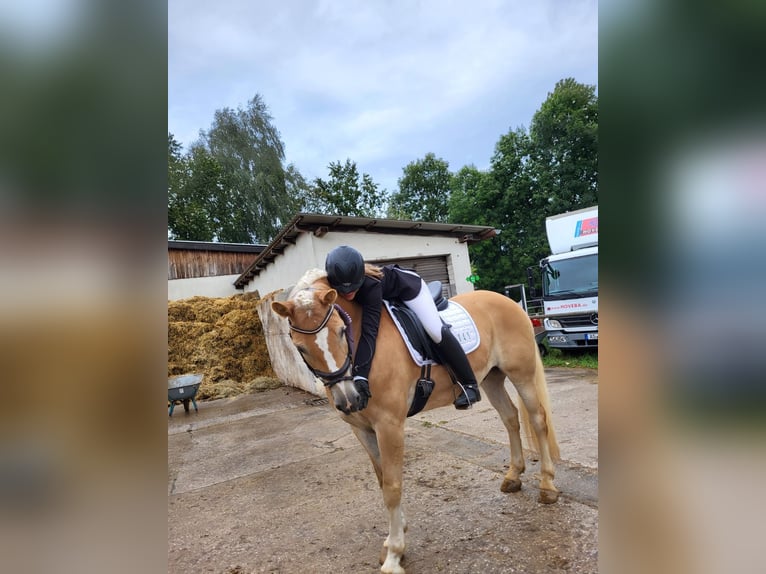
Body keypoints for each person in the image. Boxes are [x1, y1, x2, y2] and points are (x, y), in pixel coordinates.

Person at [325, 245, 481, 410]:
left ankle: (470, 385)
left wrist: (361, 376)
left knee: (435, 331)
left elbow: (369, 332)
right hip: (389, 293)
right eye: (343, 289)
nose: (348, 293)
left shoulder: (371, 286)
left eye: (354, 287)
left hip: (410, 289)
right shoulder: (331, 282)